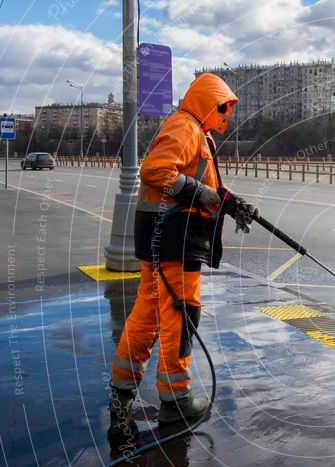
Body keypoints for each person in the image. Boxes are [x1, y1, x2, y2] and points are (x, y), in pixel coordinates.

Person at [109, 73, 258, 432]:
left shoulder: (197, 133)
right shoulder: (186, 127)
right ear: (208, 102)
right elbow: (156, 172)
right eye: (223, 108)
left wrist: (232, 204)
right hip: (175, 240)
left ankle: (121, 397)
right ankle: (176, 400)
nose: (227, 115)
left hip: (164, 241)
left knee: (148, 314)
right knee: (181, 313)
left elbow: (204, 187)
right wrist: (204, 194)